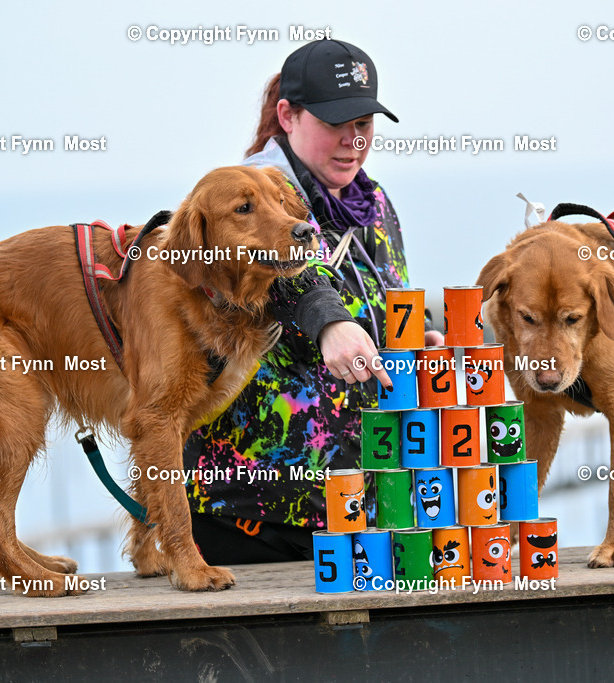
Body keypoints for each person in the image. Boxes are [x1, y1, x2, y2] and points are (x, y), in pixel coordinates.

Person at [185, 39, 444, 564]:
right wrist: (330, 324)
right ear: (288, 116)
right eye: (335, 124)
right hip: (251, 517)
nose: (353, 142)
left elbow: (383, 301)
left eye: (365, 125)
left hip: (354, 510)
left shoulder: (372, 203)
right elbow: (283, 275)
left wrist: (409, 343)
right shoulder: (249, 200)